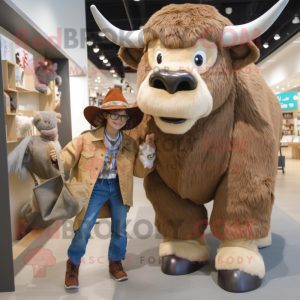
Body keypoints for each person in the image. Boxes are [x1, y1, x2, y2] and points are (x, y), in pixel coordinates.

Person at [48, 88, 156, 289]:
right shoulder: (85, 139)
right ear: (105, 115)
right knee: (84, 227)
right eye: (114, 114)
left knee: (120, 229)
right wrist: (57, 157)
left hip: (119, 187)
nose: (119, 119)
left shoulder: (130, 144)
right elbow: (67, 157)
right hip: (93, 188)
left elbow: (140, 173)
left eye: (123, 116)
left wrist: (149, 150)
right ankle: (73, 266)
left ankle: (115, 263)